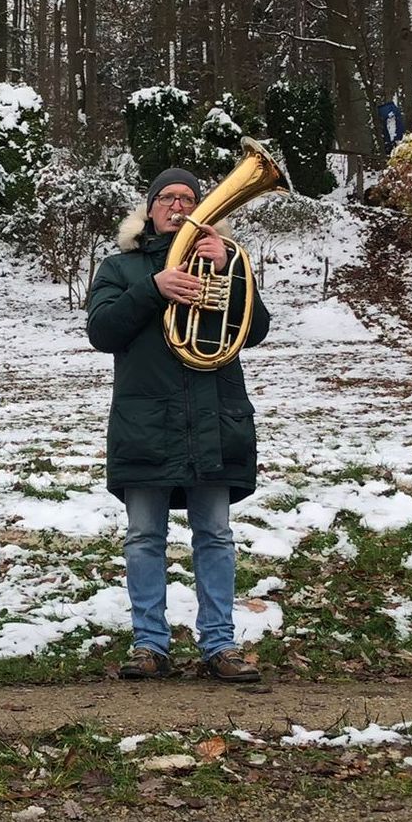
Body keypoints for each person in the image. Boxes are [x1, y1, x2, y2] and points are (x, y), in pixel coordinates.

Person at [86, 169, 268, 683]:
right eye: (167, 197)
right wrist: (154, 287)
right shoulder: (121, 267)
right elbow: (101, 331)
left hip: (213, 419)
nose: (178, 205)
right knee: (144, 536)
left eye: (189, 198)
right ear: (149, 209)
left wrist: (230, 266)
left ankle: (219, 644)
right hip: (145, 421)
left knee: (215, 535)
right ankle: (149, 644)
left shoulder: (227, 262)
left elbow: (255, 330)